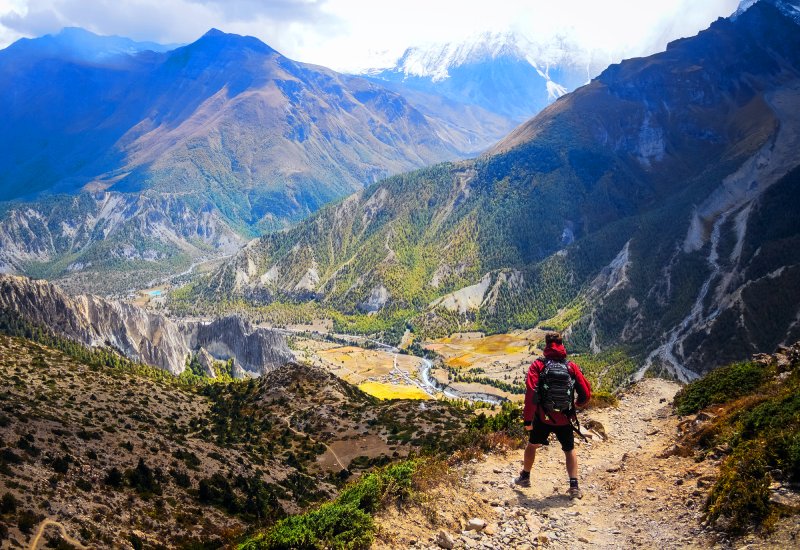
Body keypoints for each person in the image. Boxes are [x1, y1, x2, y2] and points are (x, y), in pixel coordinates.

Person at [514, 332, 591, 499]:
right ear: (562, 344)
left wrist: (528, 420)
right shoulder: (571, 366)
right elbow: (585, 393)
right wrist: (575, 406)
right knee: (569, 450)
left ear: (546, 344)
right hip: (565, 418)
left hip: (543, 417)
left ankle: (525, 477)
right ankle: (574, 485)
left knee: (532, 445)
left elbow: (531, 393)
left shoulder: (538, 365)